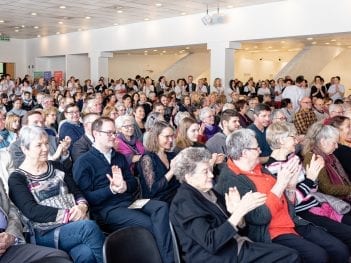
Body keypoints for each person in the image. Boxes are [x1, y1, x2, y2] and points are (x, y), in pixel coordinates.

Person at [215, 128, 349, 263]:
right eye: (257, 148)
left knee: (339, 249)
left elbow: (289, 203)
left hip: (293, 221)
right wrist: (281, 185)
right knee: (318, 256)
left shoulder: (258, 167)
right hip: (271, 231)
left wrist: (290, 187)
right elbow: (259, 218)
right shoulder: (232, 180)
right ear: (244, 153)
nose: (261, 151)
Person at [170, 147, 300, 263]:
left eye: (210, 170)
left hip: (234, 246)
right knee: (290, 257)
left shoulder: (210, 192)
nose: (211, 175)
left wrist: (238, 214)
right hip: (216, 257)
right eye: (205, 171)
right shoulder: (184, 203)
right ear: (188, 177)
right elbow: (211, 243)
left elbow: (237, 229)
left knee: (290, 253)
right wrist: (239, 212)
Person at [72, 117, 174, 263]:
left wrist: (125, 185)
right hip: (107, 209)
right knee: (150, 224)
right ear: (96, 133)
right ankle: (166, 260)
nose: (113, 136)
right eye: (109, 133)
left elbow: (133, 183)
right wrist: (111, 190)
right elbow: (86, 197)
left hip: (130, 202)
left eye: (114, 132)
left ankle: (168, 258)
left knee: (162, 207)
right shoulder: (84, 162)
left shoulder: (118, 157)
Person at [8, 126, 104, 263]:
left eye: (47, 143)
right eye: (39, 145)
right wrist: (68, 215)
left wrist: (82, 206)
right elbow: (31, 211)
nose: (45, 148)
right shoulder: (17, 178)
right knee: (88, 228)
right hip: (42, 232)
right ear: (25, 149)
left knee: (85, 253)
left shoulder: (56, 166)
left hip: (72, 225)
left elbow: (76, 191)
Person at [265, 122, 351, 251]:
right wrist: (310, 179)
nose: (296, 140)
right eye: (293, 137)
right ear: (281, 140)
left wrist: (312, 178)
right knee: (343, 241)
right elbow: (291, 203)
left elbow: (312, 188)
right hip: (303, 213)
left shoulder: (293, 158)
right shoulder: (272, 169)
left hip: (315, 203)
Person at [303, 122, 351, 201]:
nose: (336, 146)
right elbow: (326, 188)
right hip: (328, 201)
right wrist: (349, 190)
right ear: (323, 142)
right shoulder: (314, 158)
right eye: (334, 143)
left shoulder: (328, 154)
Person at [138, 121, 179, 204]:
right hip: (159, 201)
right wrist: (172, 171)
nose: (171, 140)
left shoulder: (172, 155)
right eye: (167, 136)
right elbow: (152, 190)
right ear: (156, 137)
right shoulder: (147, 158)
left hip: (175, 196)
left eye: (172, 136)